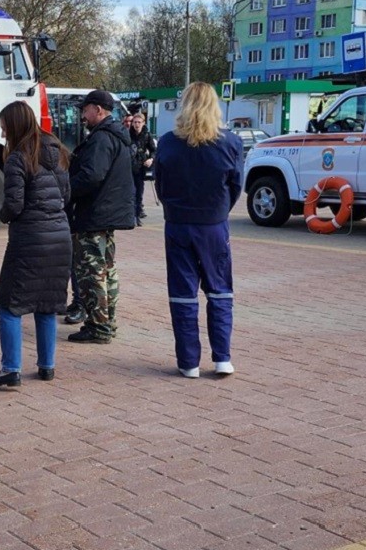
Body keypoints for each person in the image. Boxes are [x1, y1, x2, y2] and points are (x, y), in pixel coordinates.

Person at [0, 101, 72, 388]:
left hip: (29, 240)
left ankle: (11, 369)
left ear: (15, 125)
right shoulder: (57, 152)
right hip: (59, 237)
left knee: (8, 306)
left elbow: (15, 205)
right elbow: (66, 196)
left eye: (5, 126)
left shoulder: (18, 158)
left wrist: (3, 216)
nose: (3, 131)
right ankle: (47, 366)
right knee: (46, 304)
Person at [154, 81, 242, 379]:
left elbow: (160, 185)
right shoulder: (230, 142)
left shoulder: (167, 142)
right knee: (220, 291)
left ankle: (189, 362)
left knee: (182, 294)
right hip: (214, 225)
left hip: (178, 224)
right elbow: (235, 185)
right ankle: (222, 358)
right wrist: (218, 210)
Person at [67, 89, 135, 344]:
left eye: (85, 110)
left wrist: (67, 191)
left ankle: (98, 327)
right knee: (106, 270)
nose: (83, 115)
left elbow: (92, 175)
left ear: (98, 110)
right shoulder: (116, 135)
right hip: (108, 214)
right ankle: (107, 321)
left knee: (92, 272)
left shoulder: (101, 138)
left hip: (95, 214)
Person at [129, 112, 156, 226]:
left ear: (143, 123)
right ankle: (132, 216)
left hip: (141, 167)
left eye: (139, 122)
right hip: (129, 166)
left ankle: (137, 214)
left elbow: (154, 150)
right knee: (131, 192)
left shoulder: (147, 135)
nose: (136, 124)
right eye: (135, 122)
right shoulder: (127, 134)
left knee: (139, 192)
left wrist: (151, 159)